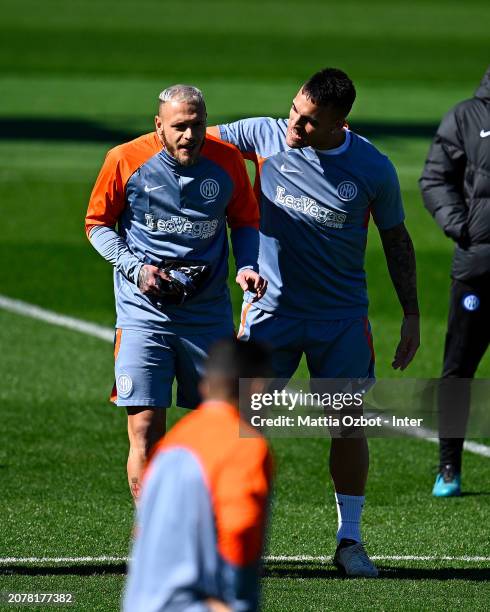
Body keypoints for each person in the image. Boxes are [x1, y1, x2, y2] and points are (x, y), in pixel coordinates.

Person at [208, 67, 420, 577]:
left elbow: (396, 240)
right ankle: (229, 535)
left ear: (338, 124)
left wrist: (411, 313)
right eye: (293, 113)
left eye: (307, 123)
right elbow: (191, 142)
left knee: (347, 425)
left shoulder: (372, 168)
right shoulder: (262, 133)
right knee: (237, 422)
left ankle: (350, 541)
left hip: (340, 319)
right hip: (271, 313)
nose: (293, 128)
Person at [85, 85, 266, 502]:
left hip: (206, 316)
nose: (190, 136)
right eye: (180, 127)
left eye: (197, 125)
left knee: (221, 425)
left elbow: (244, 220)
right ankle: (152, 529)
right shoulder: (125, 159)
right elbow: (96, 224)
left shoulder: (226, 162)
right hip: (143, 315)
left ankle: (207, 524)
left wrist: (248, 267)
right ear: (159, 126)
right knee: (145, 427)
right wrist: (135, 268)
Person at [123, 338, 273, 612]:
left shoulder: (171, 444)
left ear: (206, 387)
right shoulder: (244, 445)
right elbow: (240, 533)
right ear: (257, 387)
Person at [419, 66, 490, 497]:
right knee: (458, 369)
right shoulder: (466, 117)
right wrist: (463, 227)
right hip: (479, 268)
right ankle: (449, 467)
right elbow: (434, 178)